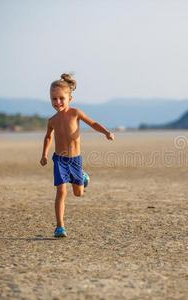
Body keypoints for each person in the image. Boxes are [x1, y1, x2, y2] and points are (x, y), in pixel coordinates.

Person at [40, 73, 114, 238]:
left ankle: (83, 176)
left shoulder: (75, 113)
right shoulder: (52, 120)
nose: (57, 102)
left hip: (75, 160)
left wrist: (106, 132)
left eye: (61, 98)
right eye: (54, 99)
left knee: (78, 193)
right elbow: (48, 137)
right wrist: (44, 154)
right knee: (61, 192)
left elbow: (93, 123)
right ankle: (60, 227)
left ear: (69, 98)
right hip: (60, 160)